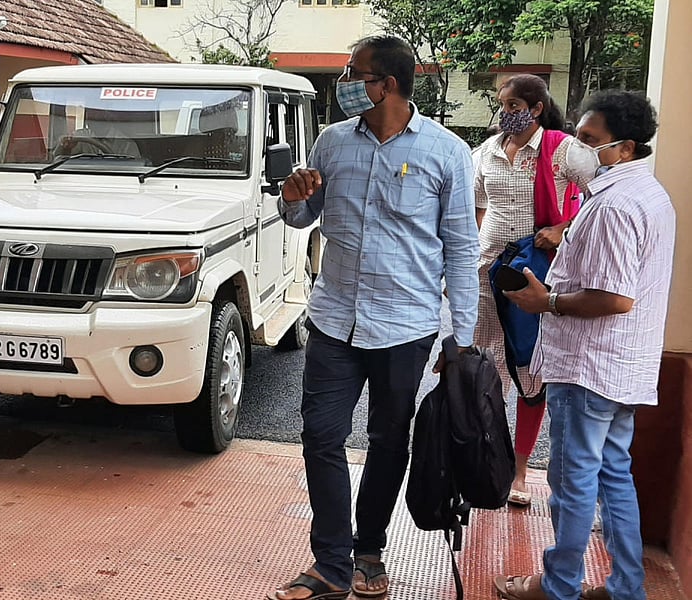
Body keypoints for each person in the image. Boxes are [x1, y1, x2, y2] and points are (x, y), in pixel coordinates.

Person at [268, 35, 479, 600]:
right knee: (320, 436)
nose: (345, 82)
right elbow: (301, 217)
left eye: (353, 72)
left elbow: (460, 247)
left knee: (389, 441)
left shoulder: (447, 152)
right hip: (334, 319)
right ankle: (331, 562)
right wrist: (292, 195)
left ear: (386, 83)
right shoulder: (332, 142)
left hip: (406, 326)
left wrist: (462, 337)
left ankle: (369, 551)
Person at [492, 90, 675, 600]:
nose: (576, 147)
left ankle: (559, 586)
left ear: (626, 147)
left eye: (590, 140)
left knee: (573, 483)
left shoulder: (613, 205)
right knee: (614, 474)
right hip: (620, 368)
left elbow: (615, 298)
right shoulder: (649, 195)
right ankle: (624, 588)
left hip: (591, 367)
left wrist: (545, 302)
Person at [473, 74, 587, 508]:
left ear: (536, 108)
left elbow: (603, 197)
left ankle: (520, 470)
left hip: (535, 274)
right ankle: (486, 464)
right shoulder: (485, 152)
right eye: (502, 104)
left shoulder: (561, 150)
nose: (505, 112)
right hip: (487, 271)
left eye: (514, 104)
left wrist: (562, 228)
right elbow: (476, 208)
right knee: (487, 365)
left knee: (529, 369)